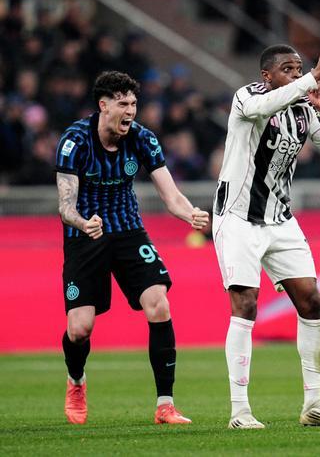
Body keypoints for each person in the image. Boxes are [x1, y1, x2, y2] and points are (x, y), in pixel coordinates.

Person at [55, 71, 209, 425]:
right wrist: (83, 222)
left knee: (159, 304)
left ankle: (165, 405)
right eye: (123, 104)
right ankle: (76, 381)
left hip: (128, 231)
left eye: (134, 104)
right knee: (80, 329)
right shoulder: (74, 141)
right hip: (85, 235)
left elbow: (171, 195)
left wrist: (191, 214)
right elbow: (65, 206)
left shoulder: (142, 138)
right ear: (103, 105)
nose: (130, 111)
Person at [212, 35, 320, 429]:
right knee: (245, 304)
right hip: (238, 218)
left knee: (311, 300)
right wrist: (311, 77)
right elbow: (264, 107)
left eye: (298, 68)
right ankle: (240, 410)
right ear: (266, 75)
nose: (295, 75)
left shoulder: (303, 108)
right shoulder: (248, 97)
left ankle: (314, 405)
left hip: (280, 219)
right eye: (286, 69)